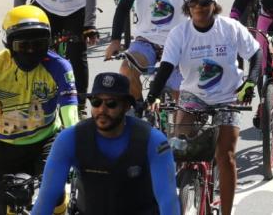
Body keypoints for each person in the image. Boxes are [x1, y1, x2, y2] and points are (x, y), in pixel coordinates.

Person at [146, 0, 261, 215]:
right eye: (194, 3)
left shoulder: (230, 28)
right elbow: (166, 67)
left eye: (205, 2)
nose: (199, 7)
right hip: (193, 95)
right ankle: (185, 186)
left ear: (214, 5)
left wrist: (250, 82)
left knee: (226, 156)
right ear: (188, 7)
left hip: (227, 97)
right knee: (179, 148)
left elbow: (256, 54)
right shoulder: (179, 34)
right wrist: (152, 96)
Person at [0, 6, 78, 215]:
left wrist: (76, 146)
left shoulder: (60, 66)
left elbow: (70, 110)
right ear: (9, 44)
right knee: (4, 203)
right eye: (23, 45)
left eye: (39, 44)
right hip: (6, 147)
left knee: (55, 196)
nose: (31, 51)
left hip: (47, 142)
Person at [32, 72, 178, 215]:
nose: (102, 109)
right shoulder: (69, 139)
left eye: (111, 103)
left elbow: (168, 200)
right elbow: (46, 198)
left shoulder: (152, 140)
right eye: (96, 102)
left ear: (127, 106)